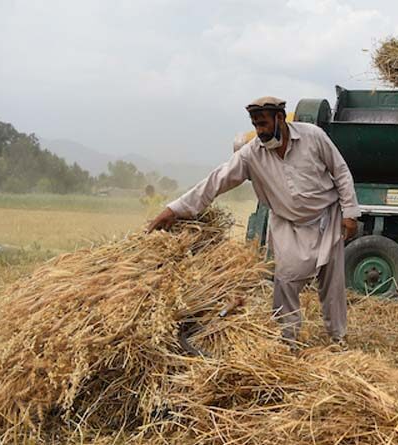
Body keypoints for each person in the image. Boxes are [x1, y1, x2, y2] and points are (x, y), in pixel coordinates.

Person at [148, 96, 361, 350]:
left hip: (328, 216)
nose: (259, 131)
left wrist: (350, 213)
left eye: (263, 124)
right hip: (289, 225)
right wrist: (174, 210)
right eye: (255, 124)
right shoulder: (251, 155)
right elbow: (216, 180)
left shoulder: (312, 136)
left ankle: (338, 338)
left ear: (280, 119)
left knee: (332, 282)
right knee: (286, 279)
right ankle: (287, 340)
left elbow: (341, 171)